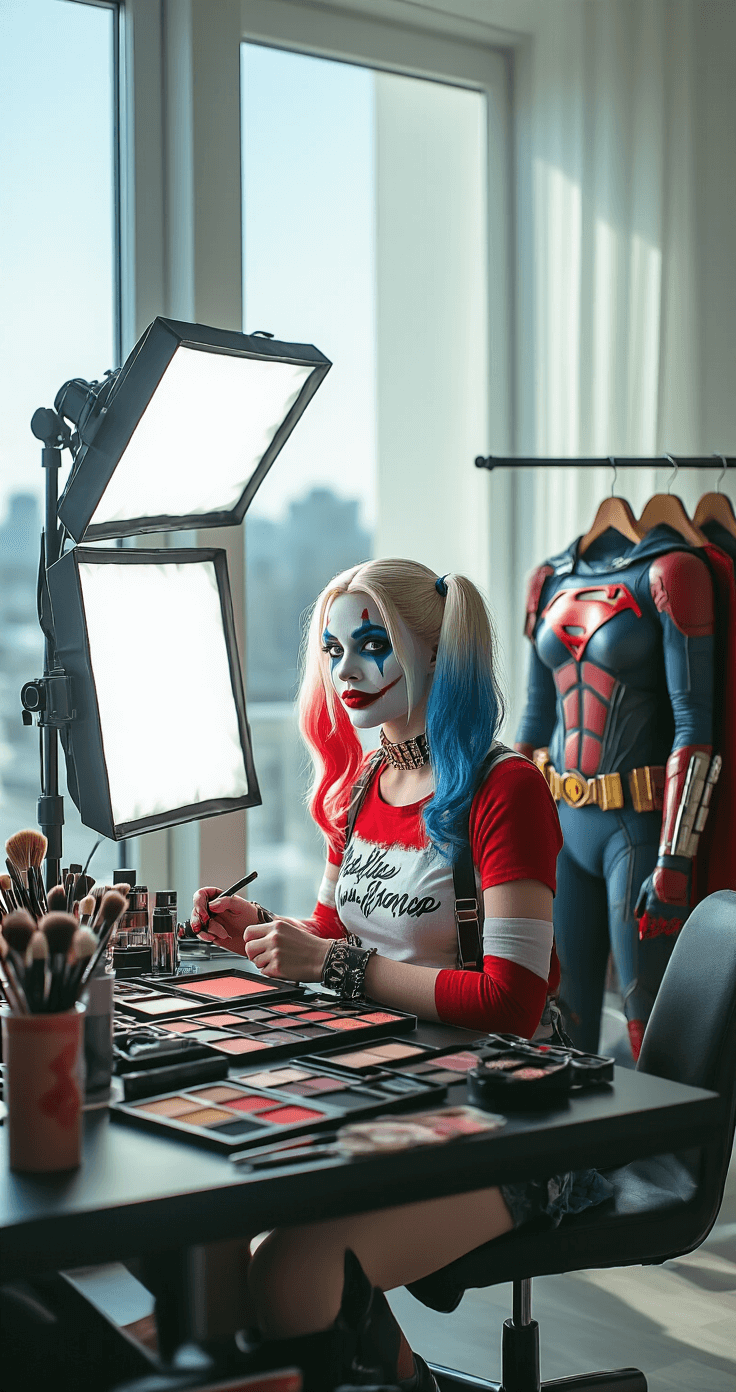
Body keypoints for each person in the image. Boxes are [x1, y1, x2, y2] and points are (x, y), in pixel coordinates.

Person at [191, 558, 611, 1392]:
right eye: (332, 650)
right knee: (221, 1247)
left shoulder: (506, 789)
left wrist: (334, 964)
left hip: (518, 1112)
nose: (345, 672)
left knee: (288, 1272)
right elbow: (329, 940)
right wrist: (260, 941)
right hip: (402, 1084)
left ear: (434, 652)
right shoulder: (358, 790)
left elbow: (512, 1004)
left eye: (371, 645)